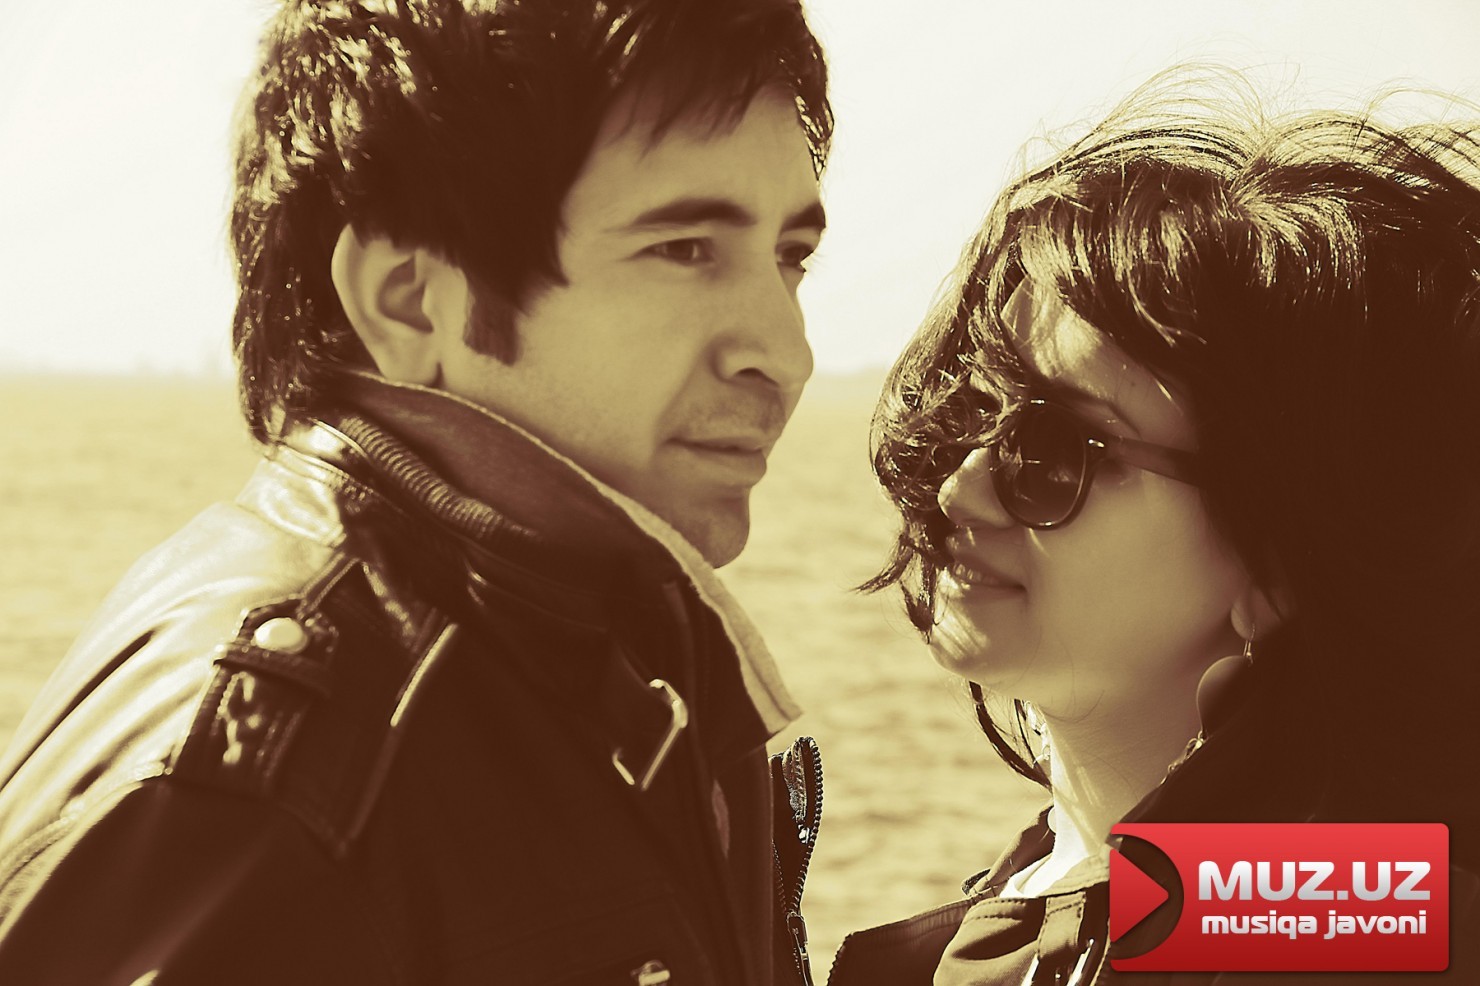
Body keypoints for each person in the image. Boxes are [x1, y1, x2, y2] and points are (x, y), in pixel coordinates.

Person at [0, 1, 831, 982]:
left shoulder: (612, 645)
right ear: (409, 300)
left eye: (791, 257)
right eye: (684, 249)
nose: (786, 354)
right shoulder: (273, 784)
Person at [829, 75, 1480, 983]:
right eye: (973, 410)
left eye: (1054, 448)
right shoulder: (1024, 930)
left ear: (1279, 562)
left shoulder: (1365, 940)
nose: (959, 487)